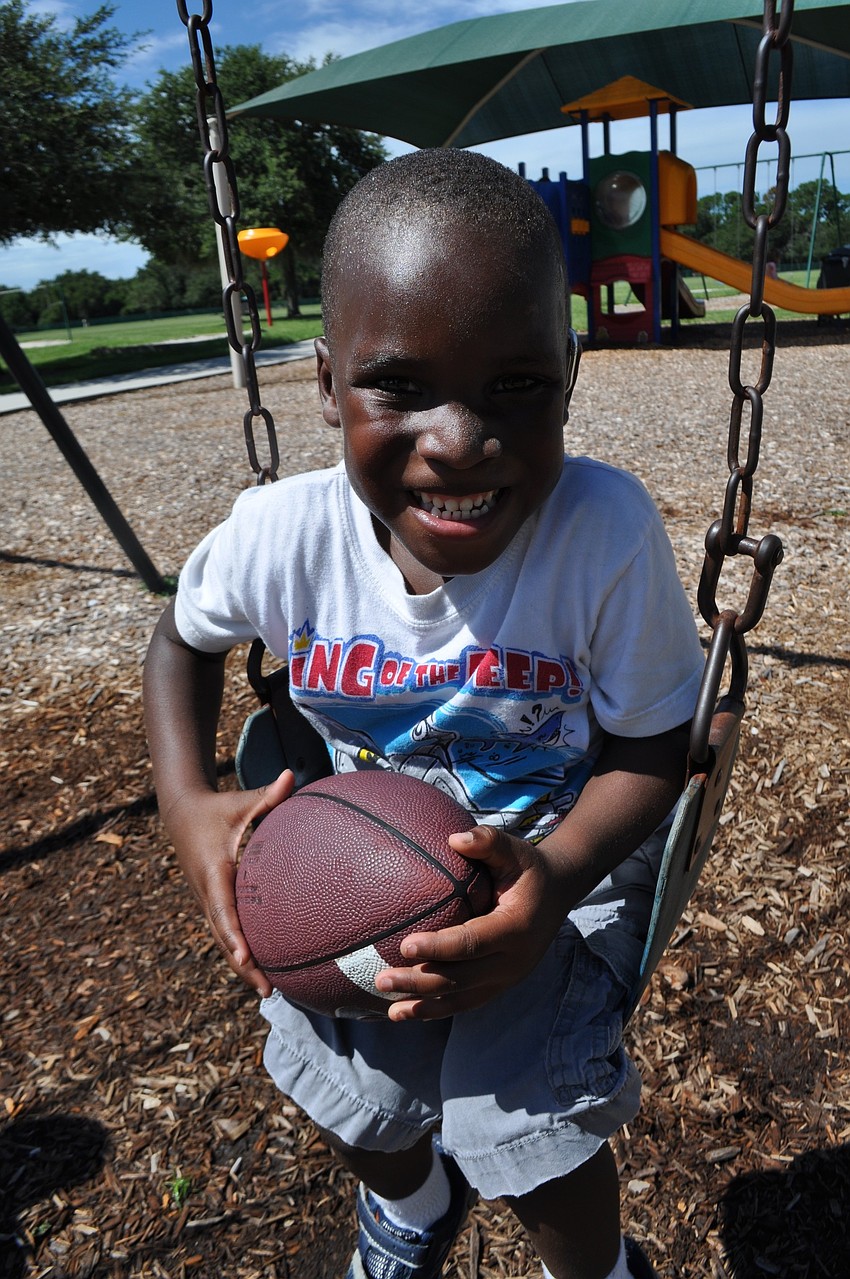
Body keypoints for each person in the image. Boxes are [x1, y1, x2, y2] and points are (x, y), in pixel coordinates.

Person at [143, 148, 705, 1279]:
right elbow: (181, 640)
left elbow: (655, 741)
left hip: (564, 864)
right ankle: (411, 1208)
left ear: (569, 373)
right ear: (325, 383)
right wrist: (189, 801)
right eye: (400, 385)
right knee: (348, 1087)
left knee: (524, 1121)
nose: (459, 439)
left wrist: (551, 885)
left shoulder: (600, 531)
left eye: (517, 385)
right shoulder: (281, 535)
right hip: (360, 872)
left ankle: (596, 1272)